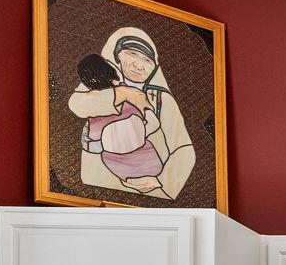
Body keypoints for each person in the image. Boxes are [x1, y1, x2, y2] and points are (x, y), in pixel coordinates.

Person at [66, 27, 197, 200]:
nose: (139, 65)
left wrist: (161, 182)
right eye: (132, 54)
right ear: (116, 56)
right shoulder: (96, 86)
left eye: (147, 60)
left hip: (149, 183)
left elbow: (183, 147)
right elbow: (77, 104)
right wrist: (123, 94)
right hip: (98, 186)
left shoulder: (161, 98)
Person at [75, 54, 164, 192]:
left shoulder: (98, 101)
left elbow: (92, 143)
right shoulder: (127, 94)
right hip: (130, 155)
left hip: (119, 159)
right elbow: (152, 123)